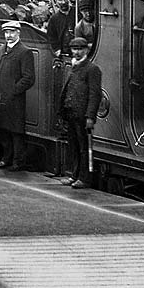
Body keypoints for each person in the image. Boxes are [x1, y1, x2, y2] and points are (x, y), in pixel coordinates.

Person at [0, 20, 35, 171]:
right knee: (3, 130)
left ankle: (18, 162)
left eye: (12, 32)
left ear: (18, 33)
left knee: (16, 131)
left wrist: (13, 91)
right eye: (6, 32)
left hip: (14, 100)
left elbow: (29, 78)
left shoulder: (24, 51)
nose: (9, 35)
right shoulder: (1, 49)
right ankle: (6, 159)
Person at [55, 37, 102, 188]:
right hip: (71, 113)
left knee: (83, 148)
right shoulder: (73, 67)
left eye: (80, 49)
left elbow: (95, 94)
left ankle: (84, 178)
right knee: (73, 146)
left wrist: (90, 116)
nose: (77, 52)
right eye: (74, 49)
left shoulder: (92, 69)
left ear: (86, 50)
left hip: (82, 115)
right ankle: (73, 175)